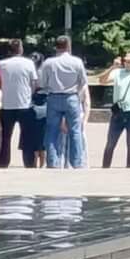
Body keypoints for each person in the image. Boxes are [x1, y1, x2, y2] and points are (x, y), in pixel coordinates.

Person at [36, 34, 90, 169]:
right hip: (71, 97)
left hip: (53, 97)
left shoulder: (48, 62)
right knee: (75, 131)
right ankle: (77, 163)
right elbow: (83, 81)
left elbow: (42, 83)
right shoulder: (77, 61)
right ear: (68, 46)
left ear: (56, 47)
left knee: (52, 131)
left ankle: (53, 162)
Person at [0, 40, 41, 168]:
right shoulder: (29, 63)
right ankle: (29, 162)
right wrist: (29, 93)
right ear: (20, 49)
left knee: (6, 137)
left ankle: (3, 162)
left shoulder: (2, 64)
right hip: (25, 104)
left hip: (7, 104)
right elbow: (35, 82)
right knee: (27, 136)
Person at [101, 51, 130, 168]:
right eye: (126, 61)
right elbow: (102, 80)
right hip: (119, 112)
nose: (128, 63)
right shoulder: (118, 73)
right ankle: (105, 167)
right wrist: (112, 67)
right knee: (110, 143)